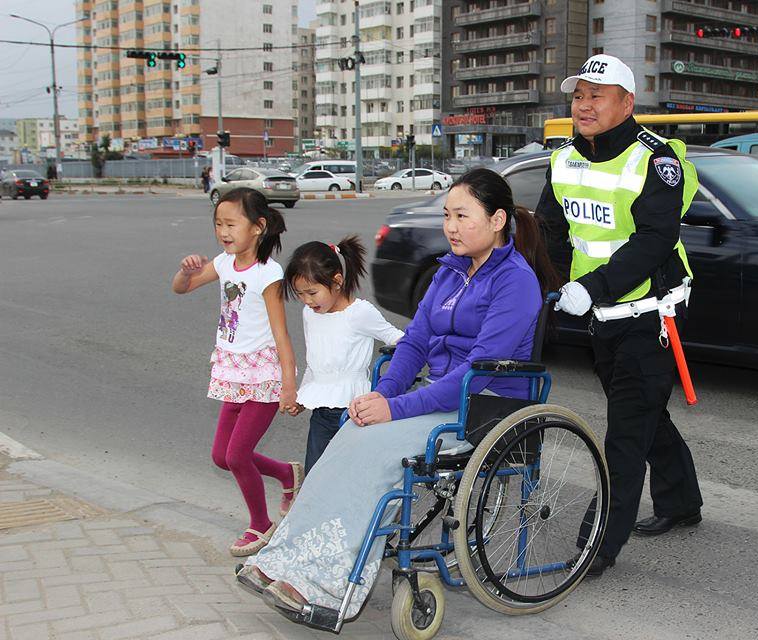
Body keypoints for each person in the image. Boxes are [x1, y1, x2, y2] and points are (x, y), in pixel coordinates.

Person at [237, 168, 559, 617]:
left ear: (498, 219)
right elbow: (413, 344)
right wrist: (383, 396)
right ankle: (288, 561)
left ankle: (328, 585)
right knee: (351, 431)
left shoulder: (515, 281)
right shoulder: (448, 273)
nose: (450, 226)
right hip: (442, 397)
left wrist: (397, 407)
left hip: (486, 408)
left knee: (375, 450)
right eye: (447, 215)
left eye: (463, 216)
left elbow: (475, 373)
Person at [537, 54, 704, 578]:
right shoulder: (563, 158)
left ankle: (597, 547)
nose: (584, 105)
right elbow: (551, 233)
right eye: (578, 95)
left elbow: (656, 240)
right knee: (644, 412)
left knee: (625, 434)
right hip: (600, 314)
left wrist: (592, 287)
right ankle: (681, 501)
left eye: (597, 95)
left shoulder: (658, 160)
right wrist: (548, 286)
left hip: (651, 315)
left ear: (627, 102)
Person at [172, 187, 303, 557]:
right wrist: (185, 272)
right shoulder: (225, 262)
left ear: (258, 227)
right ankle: (285, 474)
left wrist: (289, 386)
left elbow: (281, 334)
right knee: (222, 456)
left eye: (232, 224)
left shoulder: (269, 273)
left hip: (262, 376)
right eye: (218, 224)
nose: (224, 232)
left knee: (236, 455)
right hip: (232, 372)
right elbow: (181, 288)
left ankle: (260, 525)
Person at [282, 236, 404, 474]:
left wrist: (396, 380)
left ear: (337, 281)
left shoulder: (359, 313)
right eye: (300, 294)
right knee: (315, 477)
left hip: (354, 413)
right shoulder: (310, 314)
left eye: (312, 292)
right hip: (321, 415)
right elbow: (314, 363)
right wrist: (303, 395)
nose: (307, 301)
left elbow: (399, 340)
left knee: (350, 477)